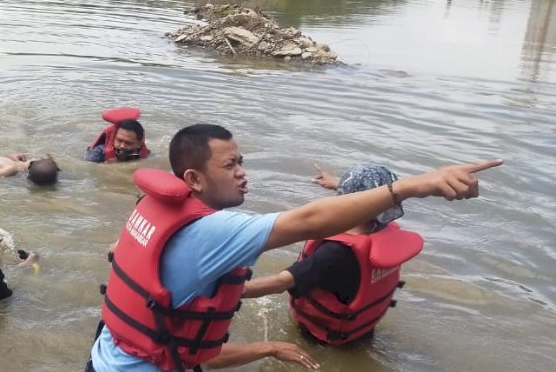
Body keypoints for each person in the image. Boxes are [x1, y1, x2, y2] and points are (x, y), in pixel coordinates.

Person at [89, 124, 501, 371]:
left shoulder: (153, 209)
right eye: (230, 166)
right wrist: (412, 186)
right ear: (194, 179)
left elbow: (182, 343)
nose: (243, 174)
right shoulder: (214, 232)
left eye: (241, 161)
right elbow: (308, 221)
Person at [241, 163, 424, 345]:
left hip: (322, 338)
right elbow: (371, 203)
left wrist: (235, 291)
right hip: (363, 331)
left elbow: (282, 282)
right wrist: (338, 184)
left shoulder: (335, 253)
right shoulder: (382, 231)